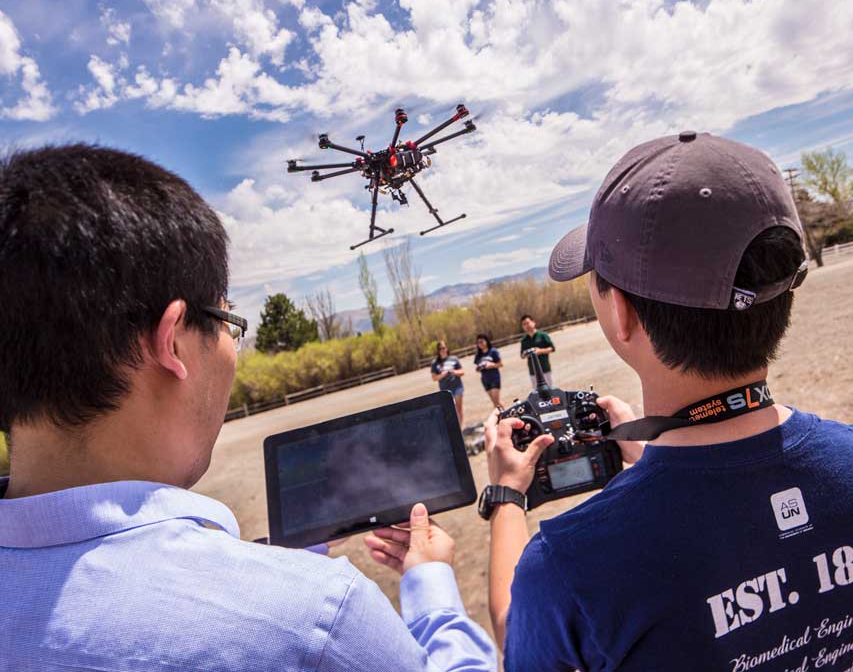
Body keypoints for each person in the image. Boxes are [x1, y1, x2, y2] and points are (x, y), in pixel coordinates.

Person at [0, 145, 496, 672]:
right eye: (229, 323)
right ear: (172, 342)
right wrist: (431, 587)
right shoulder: (316, 618)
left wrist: (259, 562)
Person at [481, 133, 853, 670]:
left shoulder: (571, 565)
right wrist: (655, 447)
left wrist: (506, 496)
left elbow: (518, 634)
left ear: (623, 315)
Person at [431, 340, 465, 427]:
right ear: (438, 351)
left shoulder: (454, 359)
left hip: (457, 387)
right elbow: (434, 378)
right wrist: (442, 374)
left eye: (443, 348)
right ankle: (454, 427)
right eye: (440, 348)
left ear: (446, 348)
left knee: (459, 408)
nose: (442, 350)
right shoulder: (435, 363)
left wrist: (453, 372)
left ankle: (461, 428)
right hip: (445, 389)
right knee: (451, 409)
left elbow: (462, 372)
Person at [519, 315, 555, 389]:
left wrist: (540, 351)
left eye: (528, 323)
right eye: (524, 324)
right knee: (537, 394)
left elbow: (552, 348)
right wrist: (527, 353)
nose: (527, 325)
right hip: (533, 371)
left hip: (544, 368)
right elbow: (522, 355)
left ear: (533, 322)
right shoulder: (524, 340)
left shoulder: (543, 335)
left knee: (550, 391)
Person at [474, 334, 503, 410]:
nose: (480, 344)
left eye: (482, 341)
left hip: (494, 378)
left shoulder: (493, 351)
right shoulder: (478, 355)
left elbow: (500, 364)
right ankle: (504, 414)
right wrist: (480, 367)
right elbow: (476, 368)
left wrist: (492, 364)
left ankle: (501, 417)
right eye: (478, 342)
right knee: (495, 402)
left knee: (496, 402)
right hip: (485, 380)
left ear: (486, 341)